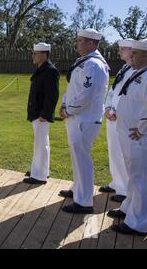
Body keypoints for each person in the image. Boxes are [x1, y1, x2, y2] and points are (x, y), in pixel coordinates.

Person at [59, 29, 110, 214]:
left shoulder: (94, 65)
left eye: (80, 41)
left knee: (82, 159)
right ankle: (77, 190)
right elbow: (73, 88)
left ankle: (84, 202)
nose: (77, 43)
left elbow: (86, 95)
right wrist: (64, 105)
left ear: (90, 43)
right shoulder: (84, 62)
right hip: (76, 117)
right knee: (76, 158)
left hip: (84, 119)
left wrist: (69, 110)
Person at [108, 39, 147, 237]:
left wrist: (142, 129)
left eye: (135, 53)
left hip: (140, 137)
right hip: (129, 134)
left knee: (142, 179)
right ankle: (129, 209)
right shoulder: (136, 72)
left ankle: (138, 222)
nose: (131, 56)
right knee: (134, 176)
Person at [100, 39, 135, 203]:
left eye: (122, 49)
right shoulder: (124, 68)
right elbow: (113, 92)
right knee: (113, 152)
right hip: (112, 116)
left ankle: (124, 189)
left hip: (123, 118)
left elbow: (131, 97)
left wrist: (116, 111)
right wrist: (107, 108)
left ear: (132, 51)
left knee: (122, 154)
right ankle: (116, 182)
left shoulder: (137, 70)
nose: (119, 52)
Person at [24, 43, 60, 185]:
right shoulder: (42, 69)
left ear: (44, 55)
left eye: (35, 53)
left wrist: (45, 114)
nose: (33, 56)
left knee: (41, 143)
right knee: (40, 142)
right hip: (36, 112)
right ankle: (39, 169)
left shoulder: (50, 71)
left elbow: (53, 95)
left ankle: (39, 175)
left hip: (41, 114)